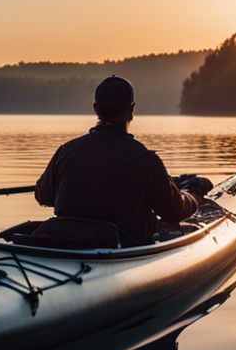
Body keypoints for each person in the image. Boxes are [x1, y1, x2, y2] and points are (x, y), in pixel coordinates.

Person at [35, 75, 212, 246]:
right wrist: (192, 195)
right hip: (120, 250)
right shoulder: (145, 159)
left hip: (63, 243)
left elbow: (43, 196)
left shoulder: (66, 150)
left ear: (96, 109)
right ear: (132, 110)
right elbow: (173, 211)